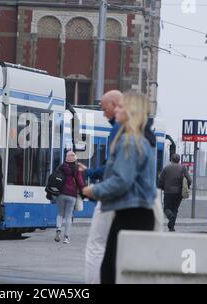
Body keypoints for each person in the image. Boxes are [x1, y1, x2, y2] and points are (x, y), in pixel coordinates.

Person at [83, 92, 156, 284]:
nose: (116, 110)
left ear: (130, 111)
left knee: (110, 269)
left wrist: (93, 191)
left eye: (121, 107)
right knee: (125, 271)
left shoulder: (128, 140)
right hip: (137, 212)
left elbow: (122, 179)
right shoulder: (141, 138)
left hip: (131, 212)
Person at [78, 90, 121, 284]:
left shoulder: (119, 131)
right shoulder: (135, 131)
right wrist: (90, 173)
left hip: (112, 199)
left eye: (105, 109)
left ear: (116, 105)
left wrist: (95, 191)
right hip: (125, 200)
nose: (103, 114)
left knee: (96, 246)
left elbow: (116, 172)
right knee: (113, 247)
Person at [55, 151, 85, 244]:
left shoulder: (60, 167)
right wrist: (83, 193)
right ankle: (66, 238)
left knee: (60, 214)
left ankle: (58, 228)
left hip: (61, 193)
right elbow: (80, 183)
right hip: (72, 195)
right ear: (75, 160)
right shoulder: (76, 169)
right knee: (68, 216)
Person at [158, 154, 192, 232]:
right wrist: (187, 187)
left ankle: (170, 217)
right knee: (175, 209)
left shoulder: (166, 168)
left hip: (168, 192)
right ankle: (171, 227)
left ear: (171, 159)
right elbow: (189, 180)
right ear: (179, 160)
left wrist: (162, 188)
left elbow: (160, 180)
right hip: (178, 193)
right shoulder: (183, 168)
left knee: (166, 208)